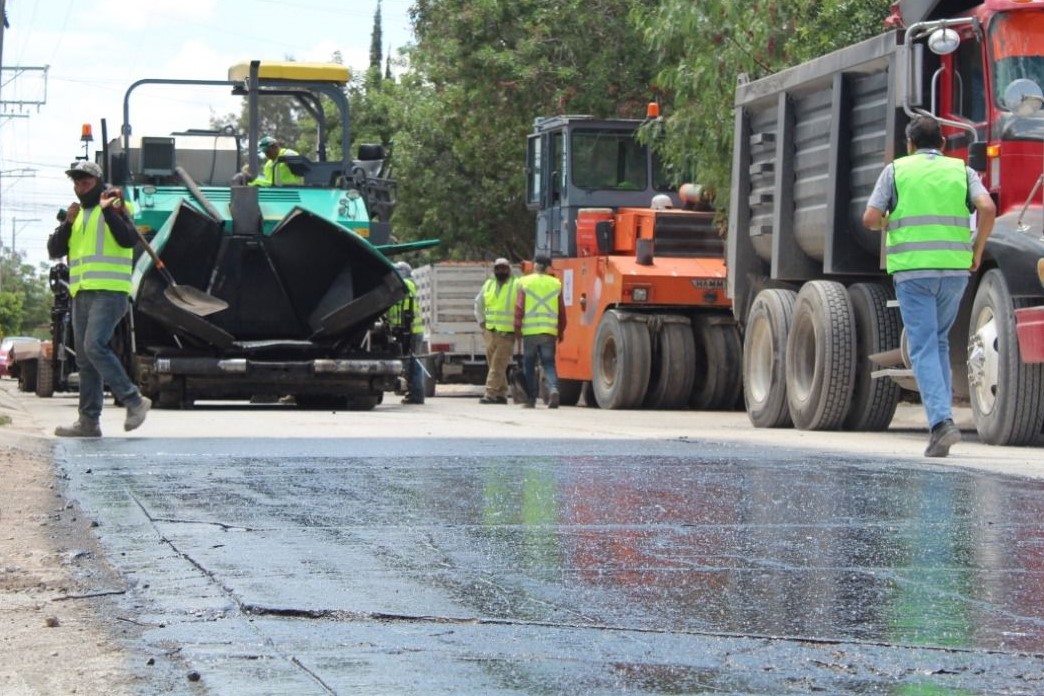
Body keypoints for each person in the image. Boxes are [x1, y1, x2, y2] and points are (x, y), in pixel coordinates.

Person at [863, 115, 995, 458]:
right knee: (937, 343)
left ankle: (940, 424)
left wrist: (891, 222)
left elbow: (871, 218)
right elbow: (988, 207)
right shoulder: (962, 171)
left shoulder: (896, 170)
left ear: (909, 144)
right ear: (944, 144)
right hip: (954, 272)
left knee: (922, 347)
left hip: (914, 273)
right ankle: (944, 419)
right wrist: (977, 250)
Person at [47, 160, 152, 437]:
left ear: (98, 181)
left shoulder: (114, 206)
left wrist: (110, 212)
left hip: (110, 291)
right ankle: (89, 422)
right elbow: (54, 249)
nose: (81, 187)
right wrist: (66, 225)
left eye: (86, 182)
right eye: (77, 183)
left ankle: (134, 400)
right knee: (84, 359)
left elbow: (129, 239)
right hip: (81, 292)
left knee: (94, 346)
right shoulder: (78, 215)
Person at [514, 254, 566, 409]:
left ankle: (531, 398)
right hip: (548, 332)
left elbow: (519, 308)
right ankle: (554, 389)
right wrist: (560, 331)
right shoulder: (556, 283)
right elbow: (562, 312)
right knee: (549, 363)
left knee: (529, 365)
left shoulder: (524, 282)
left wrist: (517, 330)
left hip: (530, 332)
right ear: (548, 266)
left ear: (535, 265)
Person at [474, 258, 517, 404]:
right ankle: (501, 393)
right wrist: (481, 322)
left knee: (498, 364)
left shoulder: (516, 284)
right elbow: (479, 303)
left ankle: (490, 393)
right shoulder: (489, 285)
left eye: (504, 268)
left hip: (507, 333)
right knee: (494, 364)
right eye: (498, 268)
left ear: (509, 269)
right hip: (490, 332)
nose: (501, 271)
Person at [389, 261, 425, 404]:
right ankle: (413, 392)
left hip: (411, 330)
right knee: (410, 362)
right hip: (406, 329)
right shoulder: (406, 284)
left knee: (414, 363)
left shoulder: (406, 284)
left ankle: (417, 395)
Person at [236, 135, 305, 187]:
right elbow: (269, 183)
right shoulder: (268, 165)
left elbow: (302, 174)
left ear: (275, 146)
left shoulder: (288, 155)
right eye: (264, 152)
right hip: (275, 193)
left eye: (268, 151)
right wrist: (251, 182)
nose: (266, 154)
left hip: (292, 191)